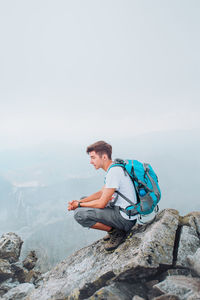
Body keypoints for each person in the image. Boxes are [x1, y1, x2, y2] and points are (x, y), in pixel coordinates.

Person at [68, 140, 138, 251]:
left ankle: (116, 232)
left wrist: (79, 205)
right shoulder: (115, 168)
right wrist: (79, 202)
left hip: (125, 219)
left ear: (104, 157)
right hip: (124, 212)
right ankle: (114, 229)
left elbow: (101, 203)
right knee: (83, 199)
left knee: (79, 214)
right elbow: (101, 193)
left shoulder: (114, 173)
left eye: (93, 157)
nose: (91, 162)